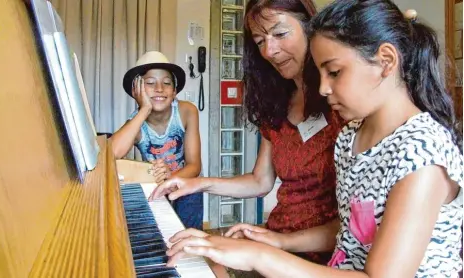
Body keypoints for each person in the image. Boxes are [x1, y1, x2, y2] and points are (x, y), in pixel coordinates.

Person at [163, 1, 464, 277]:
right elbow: (350, 229)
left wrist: (259, 256)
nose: (322, 88)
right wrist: (279, 241)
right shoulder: (351, 137)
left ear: (386, 60)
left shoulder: (422, 153)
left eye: (334, 72)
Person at [150, 0, 343, 265]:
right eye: (260, 41)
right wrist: (198, 183)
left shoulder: (342, 101)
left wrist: (273, 244)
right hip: (275, 241)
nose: (270, 51)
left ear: (311, 27)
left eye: (280, 34)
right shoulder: (279, 102)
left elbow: (356, 224)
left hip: (323, 257)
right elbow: (260, 181)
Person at [111, 51, 204, 230]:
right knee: (161, 235)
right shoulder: (136, 124)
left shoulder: (187, 112)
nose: (159, 88)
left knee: (190, 233)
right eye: (150, 83)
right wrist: (144, 108)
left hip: (185, 182)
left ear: (175, 91)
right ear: (136, 90)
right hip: (156, 186)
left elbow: (194, 166)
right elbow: (113, 153)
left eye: (167, 83)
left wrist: (170, 178)